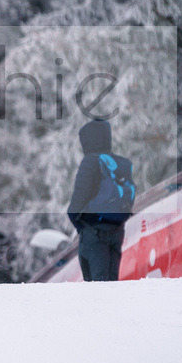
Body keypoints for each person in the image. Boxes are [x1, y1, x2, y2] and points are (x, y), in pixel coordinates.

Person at [67, 118, 133, 282]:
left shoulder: (90, 162)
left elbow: (75, 206)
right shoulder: (121, 163)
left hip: (93, 235)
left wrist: (83, 227)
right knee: (111, 288)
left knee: (96, 292)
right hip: (116, 234)